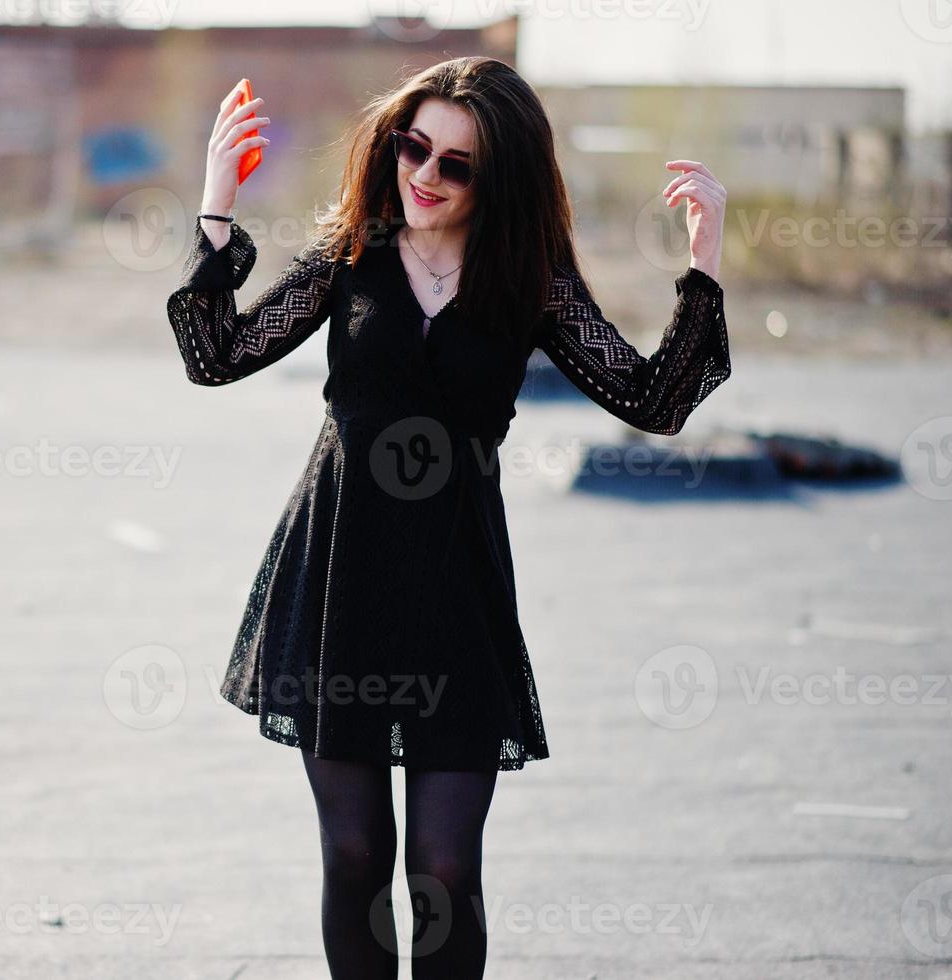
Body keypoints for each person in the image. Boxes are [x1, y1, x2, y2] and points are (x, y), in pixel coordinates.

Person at [165, 56, 731, 979]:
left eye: (454, 164)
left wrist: (702, 263)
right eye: (411, 146)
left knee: (442, 868)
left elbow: (653, 400)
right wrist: (216, 210)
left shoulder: (528, 283)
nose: (423, 176)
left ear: (496, 176)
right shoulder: (351, 256)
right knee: (354, 860)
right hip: (337, 579)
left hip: (455, 596)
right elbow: (217, 356)